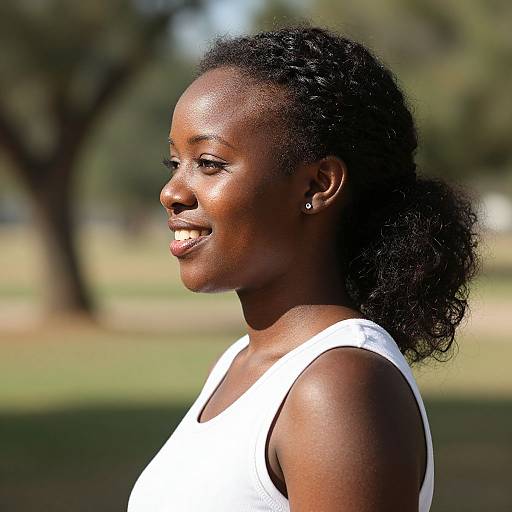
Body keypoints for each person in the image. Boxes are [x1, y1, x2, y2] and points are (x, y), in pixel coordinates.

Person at [127, 25, 479, 512]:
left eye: (208, 163)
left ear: (317, 185)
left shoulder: (337, 386)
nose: (172, 192)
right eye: (175, 164)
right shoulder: (238, 364)